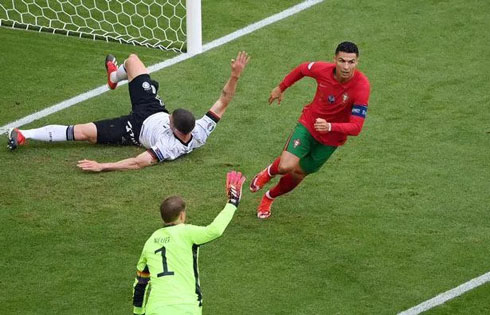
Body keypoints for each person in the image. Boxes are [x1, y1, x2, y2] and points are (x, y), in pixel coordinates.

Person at [7, 51, 250, 172]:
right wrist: (235, 74)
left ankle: (24, 134)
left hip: (134, 129)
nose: (169, 119)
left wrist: (103, 166)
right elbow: (223, 101)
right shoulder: (200, 131)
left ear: (174, 128)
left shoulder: (167, 148)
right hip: (151, 108)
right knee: (133, 60)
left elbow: (137, 162)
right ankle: (114, 76)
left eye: (170, 120)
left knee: (84, 132)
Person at [250, 41, 370, 219]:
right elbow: (302, 69)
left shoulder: (362, 86)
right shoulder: (322, 69)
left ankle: (269, 197)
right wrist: (281, 87)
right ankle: (268, 172)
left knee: (299, 173)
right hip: (308, 124)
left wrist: (330, 127)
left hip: (331, 140)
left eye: (351, 62)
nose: (346, 66)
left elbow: (356, 127)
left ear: (357, 62)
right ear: (334, 59)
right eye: (342, 61)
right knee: (285, 166)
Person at [132, 170, 246, 315]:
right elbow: (215, 230)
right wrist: (232, 203)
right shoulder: (187, 233)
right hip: (186, 307)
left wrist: (138, 312)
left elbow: (141, 283)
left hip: (156, 309)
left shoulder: (150, 242)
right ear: (182, 215)